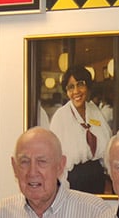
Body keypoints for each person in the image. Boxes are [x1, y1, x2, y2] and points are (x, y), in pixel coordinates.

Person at [48, 65, 112, 194]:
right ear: (66, 92)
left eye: (80, 84)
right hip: (73, 181)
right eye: (71, 87)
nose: (76, 91)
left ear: (87, 86)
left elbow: (107, 143)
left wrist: (108, 178)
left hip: (97, 177)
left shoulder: (95, 111)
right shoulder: (61, 117)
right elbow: (54, 158)